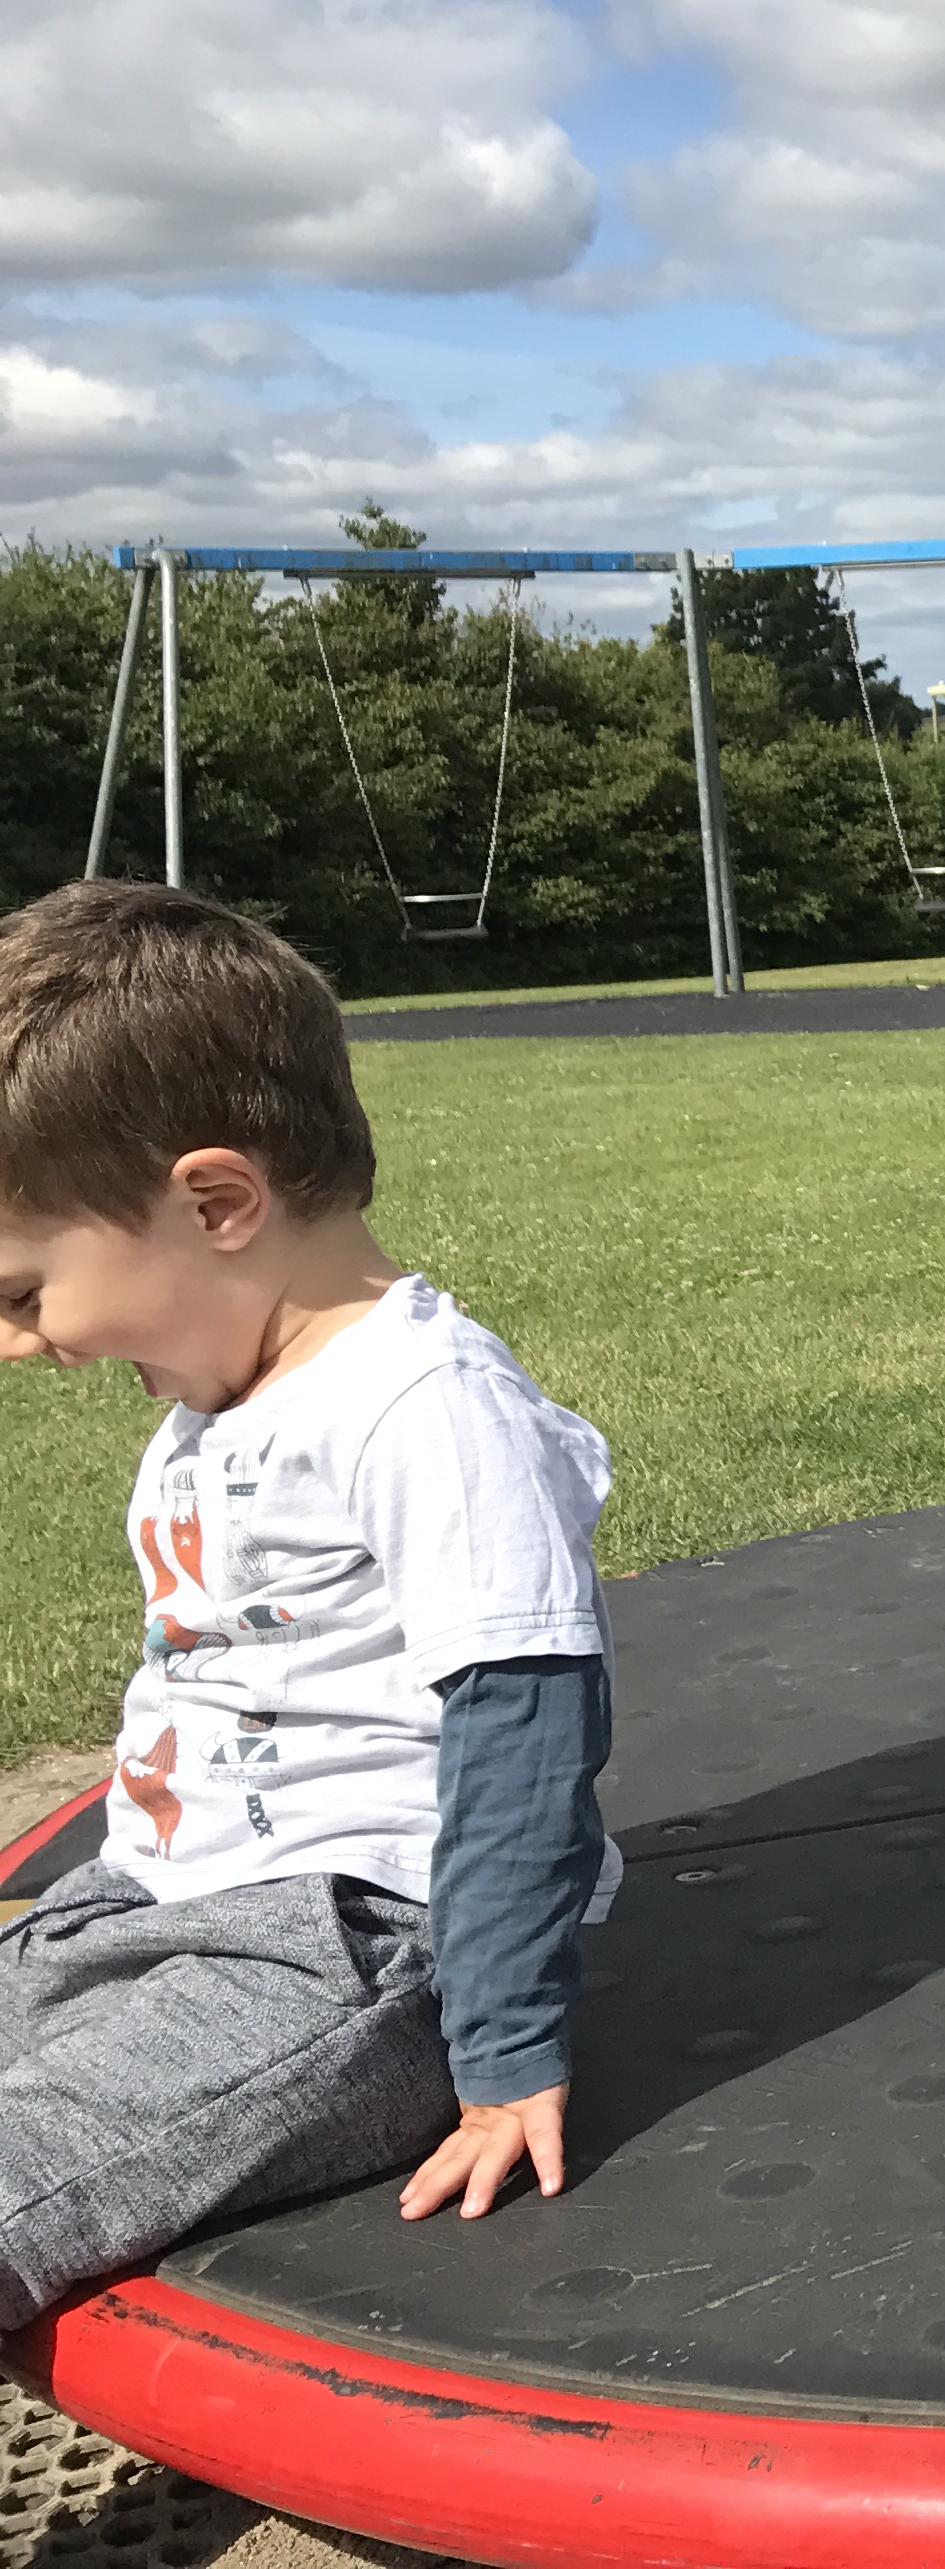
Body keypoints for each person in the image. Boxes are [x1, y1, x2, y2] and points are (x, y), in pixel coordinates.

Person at [0, 880, 618, 2331]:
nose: (18, 1344)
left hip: (346, 1950)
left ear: (217, 1204)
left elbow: (525, 1725)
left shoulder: (425, 1406)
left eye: (26, 1295)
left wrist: (503, 2050)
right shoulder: (225, 1397)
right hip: (152, 1906)